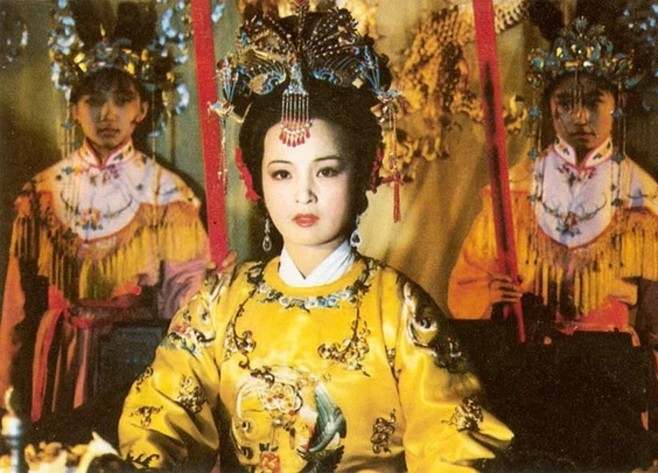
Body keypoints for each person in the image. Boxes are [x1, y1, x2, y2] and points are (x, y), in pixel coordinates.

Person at [118, 5, 512, 472]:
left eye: (326, 171)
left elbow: (456, 438)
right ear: (256, 182)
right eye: (282, 173)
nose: (303, 194)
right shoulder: (219, 304)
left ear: (363, 173)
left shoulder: (397, 309)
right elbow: (159, 413)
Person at [448, 16, 658, 465]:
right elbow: (467, 284)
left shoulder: (647, 206)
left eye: (593, 102)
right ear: (550, 110)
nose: (579, 116)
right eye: (565, 102)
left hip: (608, 375)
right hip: (532, 367)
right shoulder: (516, 193)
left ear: (617, 104)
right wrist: (493, 296)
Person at [0, 33, 209, 421]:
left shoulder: (166, 192)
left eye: (122, 99)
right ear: (75, 110)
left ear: (141, 109)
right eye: (94, 101)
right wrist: (6, 384)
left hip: (133, 353)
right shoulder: (43, 191)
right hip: (59, 354)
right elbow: (17, 301)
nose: (107, 114)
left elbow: (187, 295)